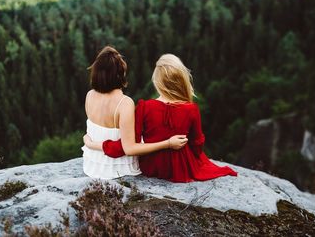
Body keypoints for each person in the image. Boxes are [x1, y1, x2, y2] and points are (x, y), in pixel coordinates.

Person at [84, 53, 237, 182]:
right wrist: (195, 158)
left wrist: (92, 144)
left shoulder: (145, 107)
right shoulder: (191, 110)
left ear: (157, 82)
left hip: (150, 166)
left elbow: (127, 145)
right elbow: (197, 144)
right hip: (180, 169)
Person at [82, 46, 187, 179]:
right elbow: (129, 149)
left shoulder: (89, 95)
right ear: (120, 74)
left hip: (92, 164)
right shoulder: (124, 103)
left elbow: (95, 133)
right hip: (117, 168)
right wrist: (168, 143)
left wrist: (90, 144)